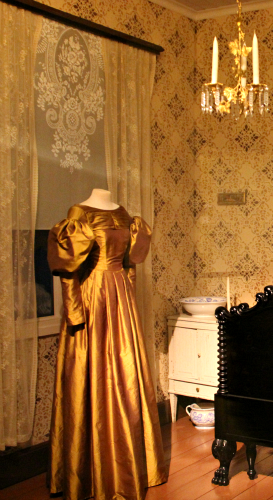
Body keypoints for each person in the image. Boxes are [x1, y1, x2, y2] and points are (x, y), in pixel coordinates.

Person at [47, 189, 166, 500]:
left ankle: (129, 464)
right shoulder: (79, 213)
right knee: (89, 378)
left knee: (126, 379)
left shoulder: (124, 215)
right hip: (91, 299)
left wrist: (127, 301)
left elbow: (129, 265)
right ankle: (88, 472)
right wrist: (75, 313)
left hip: (119, 299)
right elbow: (68, 273)